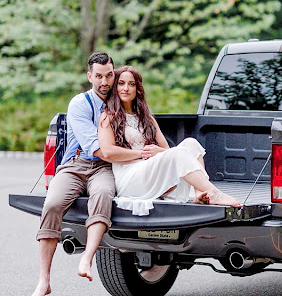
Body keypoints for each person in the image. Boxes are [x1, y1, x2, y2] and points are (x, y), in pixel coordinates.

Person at [28, 52, 116, 296]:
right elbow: (92, 146)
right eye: (98, 76)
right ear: (90, 76)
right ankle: (43, 281)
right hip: (76, 164)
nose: (104, 82)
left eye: (109, 75)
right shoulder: (80, 103)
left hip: (105, 168)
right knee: (52, 203)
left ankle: (87, 258)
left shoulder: (120, 99)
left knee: (103, 194)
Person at [98, 65, 241, 215]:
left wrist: (157, 152)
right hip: (130, 176)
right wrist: (142, 154)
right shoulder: (108, 116)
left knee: (190, 143)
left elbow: (166, 150)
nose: (126, 88)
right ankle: (213, 192)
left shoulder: (146, 118)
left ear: (137, 89)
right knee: (178, 153)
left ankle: (199, 192)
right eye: (121, 83)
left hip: (150, 170)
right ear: (115, 87)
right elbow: (108, 152)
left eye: (131, 84)